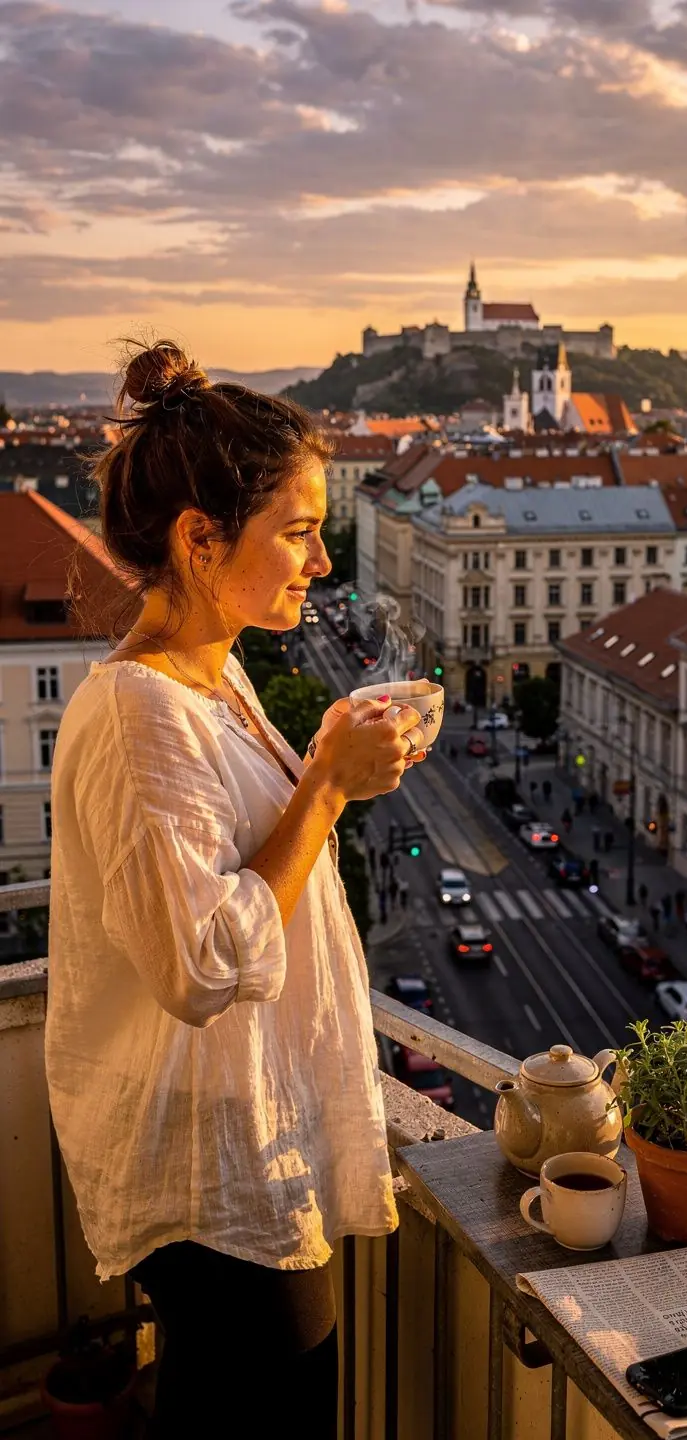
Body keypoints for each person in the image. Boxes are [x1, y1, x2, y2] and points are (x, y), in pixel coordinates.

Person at [45, 341, 430, 1437]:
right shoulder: (140, 713)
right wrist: (325, 788)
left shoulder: (216, 678)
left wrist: (330, 768)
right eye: (298, 533)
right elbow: (203, 963)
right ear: (199, 537)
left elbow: (243, 863)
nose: (320, 560)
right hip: (207, 1167)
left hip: (239, 1134)